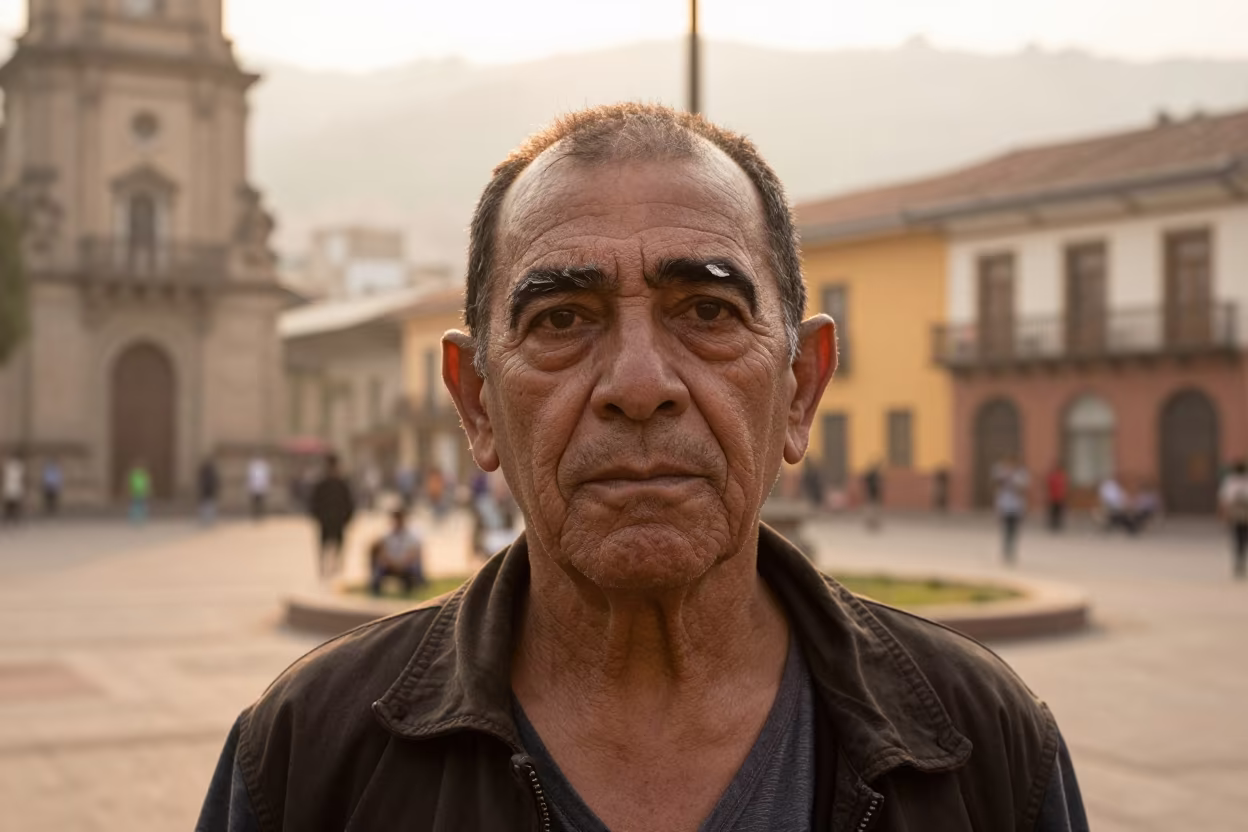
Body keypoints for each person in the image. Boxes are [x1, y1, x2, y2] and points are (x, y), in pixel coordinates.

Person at [199, 104, 1086, 832]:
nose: (637, 385)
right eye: (560, 320)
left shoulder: (987, 750)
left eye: (706, 308)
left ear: (801, 387)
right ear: (476, 403)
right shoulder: (308, 759)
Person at [308, 454, 355, 580]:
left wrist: (347, 518)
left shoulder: (341, 484)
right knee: (325, 546)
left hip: (337, 520)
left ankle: (335, 566)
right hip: (326, 520)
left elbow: (349, 503)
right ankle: (325, 567)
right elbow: (314, 503)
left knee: (337, 545)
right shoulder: (322, 484)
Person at [369, 508, 425, 596]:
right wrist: (392, 564)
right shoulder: (387, 536)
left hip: (405, 566)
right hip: (391, 565)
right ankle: (375, 588)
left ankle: (417, 583)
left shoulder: (412, 536)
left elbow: (413, 554)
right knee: (379, 567)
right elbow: (383, 553)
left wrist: (401, 564)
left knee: (413, 567)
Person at [993, 457, 1030, 564]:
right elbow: (996, 485)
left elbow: (1022, 490)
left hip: (1016, 508)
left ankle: (1011, 550)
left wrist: (1013, 481)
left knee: (1014, 531)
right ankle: (1006, 551)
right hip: (1005, 507)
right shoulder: (1001, 474)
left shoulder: (1020, 475)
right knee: (1006, 530)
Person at [1219, 460, 1248, 579]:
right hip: (1241, 513)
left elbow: (1224, 499)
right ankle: (1239, 560)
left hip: (1237, 513)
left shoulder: (1230, 482)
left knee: (1238, 538)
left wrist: (1224, 514)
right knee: (1240, 538)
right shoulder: (1233, 482)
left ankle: (1239, 560)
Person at [247, 455, 271, 521]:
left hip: (260, 487)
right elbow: (250, 477)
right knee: (256, 503)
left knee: (260, 503)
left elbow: (266, 477)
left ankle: (259, 515)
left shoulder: (263, 466)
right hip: (255, 487)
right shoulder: (253, 465)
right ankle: (256, 515)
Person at [2, 454, 24, 525]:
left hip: (12, 489)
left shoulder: (11, 466)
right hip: (12, 489)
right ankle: (11, 520)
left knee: (12, 506)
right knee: (11, 506)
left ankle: (12, 520)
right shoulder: (18, 467)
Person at [198, 458, 220, 526]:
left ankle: (206, 519)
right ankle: (209, 519)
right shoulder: (211, 474)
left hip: (206, 492)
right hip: (209, 492)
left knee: (206, 506)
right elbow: (216, 482)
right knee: (209, 506)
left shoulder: (204, 474)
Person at [862, 462, 883, 531]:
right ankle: (870, 522)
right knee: (871, 509)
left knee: (874, 509)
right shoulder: (870, 475)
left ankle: (874, 522)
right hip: (870, 494)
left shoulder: (876, 476)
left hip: (874, 495)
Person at [1046, 464, 1068, 531]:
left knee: (1056, 512)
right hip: (1056, 497)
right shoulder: (1059, 477)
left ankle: (1055, 524)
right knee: (1056, 512)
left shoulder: (1059, 477)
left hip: (1057, 497)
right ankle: (1055, 524)